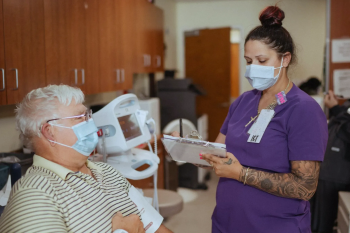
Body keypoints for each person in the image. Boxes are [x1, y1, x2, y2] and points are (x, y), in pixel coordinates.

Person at [193, 5, 328, 233]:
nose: (253, 68)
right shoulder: (243, 102)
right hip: (227, 221)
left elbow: (305, 187)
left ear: (285, 59)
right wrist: (185, 146)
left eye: (262, 61)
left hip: (274, 226)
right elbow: (218, 154)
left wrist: (240, 173)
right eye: (248, 61)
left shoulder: (303, 110)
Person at [0, 85, 172, 233]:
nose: (91, 123)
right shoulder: (35, 196)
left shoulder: (108, 172)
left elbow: (155, 228)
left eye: (87, 116)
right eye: (79, 117)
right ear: (49, 132)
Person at [311, 90, 350, 233]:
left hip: (339, 175)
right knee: (318, 222)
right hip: (329, 171)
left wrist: (335, 108)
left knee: (325, 224)